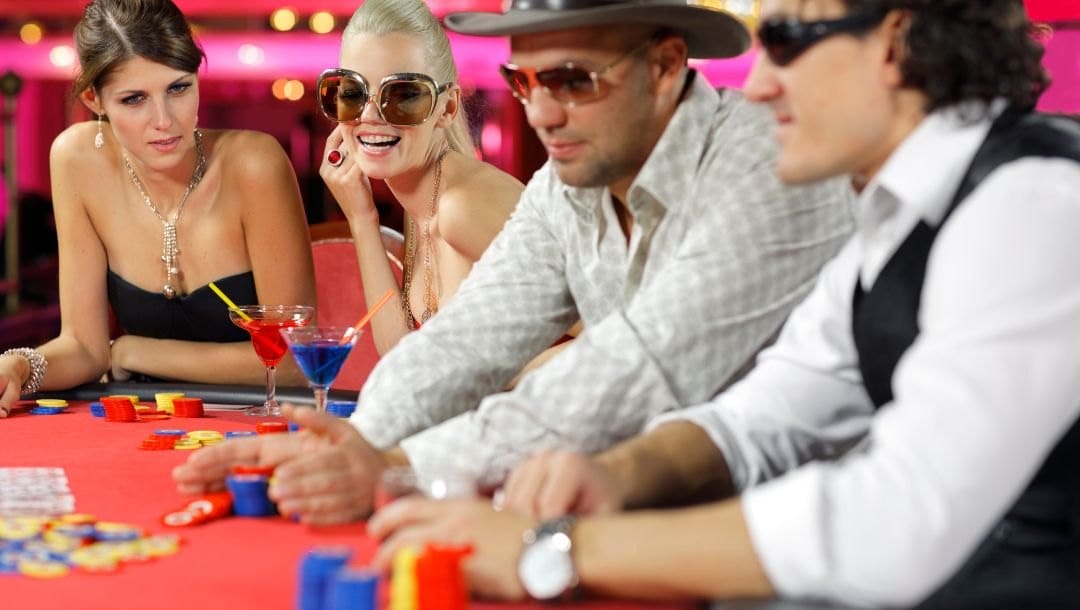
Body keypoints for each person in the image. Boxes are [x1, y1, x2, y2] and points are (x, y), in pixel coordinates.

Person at [367, 0, 1080, 606]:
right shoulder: (897, 214)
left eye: (788, 42)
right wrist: (619, 472)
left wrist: (553, 549)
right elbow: (763, 416)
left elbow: (894, 520)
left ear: (893, 45)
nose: (760, 85)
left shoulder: (1032, 203)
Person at [173, 0, 854, 523]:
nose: (542, 114)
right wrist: (352, 443)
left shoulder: (767, 165)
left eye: (572, 81)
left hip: (806, 537)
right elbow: (460, 342)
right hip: (642, 507)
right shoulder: (569, 184)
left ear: (667, 64)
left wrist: (396, 464)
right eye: (524, 82)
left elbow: (640, 367)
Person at [0, 0, 315, 417]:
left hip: (261, 419)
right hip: (143, 422)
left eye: (178, 88)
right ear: (95, 99)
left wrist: (135, 351)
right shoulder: (76, 160)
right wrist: (23, 365)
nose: (164, 120)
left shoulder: (255, 163)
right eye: (134, 99)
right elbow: (84, 349)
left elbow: (296, 361)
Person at [316, 0, 523, 355]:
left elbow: (621, 341)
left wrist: (492, 372)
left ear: (447, 107)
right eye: (352, 92)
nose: (370, 114)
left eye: (403, 94)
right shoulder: (424, 202)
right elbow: (402, 357)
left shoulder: (462, 206)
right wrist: (362, 218)